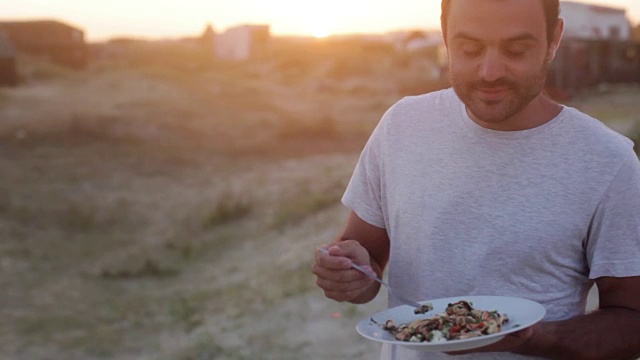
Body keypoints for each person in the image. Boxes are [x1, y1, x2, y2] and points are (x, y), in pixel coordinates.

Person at [312, 0, 640, 359]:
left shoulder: (608, 161)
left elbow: (631, 321)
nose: (489, 71)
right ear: (446, 38)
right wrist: (348, 272)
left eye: (516, 50)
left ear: (554, 39)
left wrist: (531, 338)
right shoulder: (402, 126)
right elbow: (366, 261)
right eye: (469, 49)